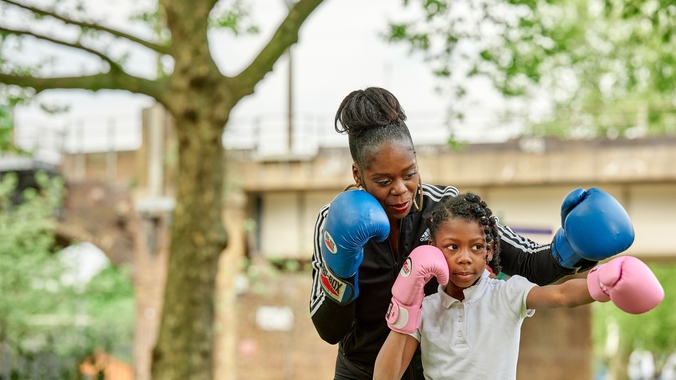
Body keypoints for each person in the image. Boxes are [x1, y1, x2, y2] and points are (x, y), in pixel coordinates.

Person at [309, 87, 635, 379]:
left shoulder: (445, 210)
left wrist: (574, 247)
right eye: (383, 181)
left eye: (410, 174)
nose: (401, 190)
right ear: (358, 174)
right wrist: (341, 268)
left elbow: (527, 263)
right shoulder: (332, 223)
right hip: (361, 371)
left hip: (433, 368)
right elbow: (330, 330)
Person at [373, 193, 664, 380]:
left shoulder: (506, 294)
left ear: (489, 251)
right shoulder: (425, 309)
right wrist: (405, 305)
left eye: (476, 247)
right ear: (433, 248)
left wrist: (601, 282)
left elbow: (561, 294)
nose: (465, 258)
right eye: (452, 247)